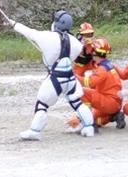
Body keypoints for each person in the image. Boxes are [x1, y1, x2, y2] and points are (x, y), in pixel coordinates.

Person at [11, 9, 97, 140]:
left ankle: (35, 130)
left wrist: (13, 24)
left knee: (42, 104)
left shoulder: (48, 37)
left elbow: (29, 32)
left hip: (56, 78)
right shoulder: (75, 42)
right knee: (77, 102)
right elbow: (73, 55)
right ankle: (88, 127)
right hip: (70, 78)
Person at [69, 44, 126, 132]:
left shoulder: (102, 69)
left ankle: (88, 123)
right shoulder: (108, 64)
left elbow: (89, 82)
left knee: (83, 92)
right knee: (96, 119)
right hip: (115, 102)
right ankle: (113, 116)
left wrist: (74, 77)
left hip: (109, 101)